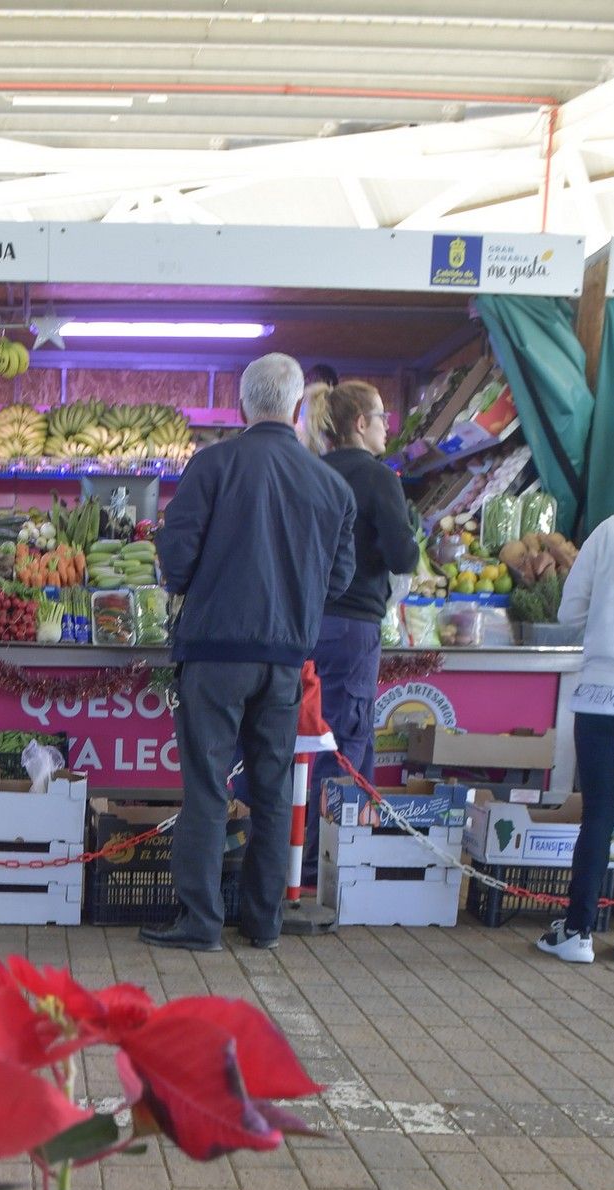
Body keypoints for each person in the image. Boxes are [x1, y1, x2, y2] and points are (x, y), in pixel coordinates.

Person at [141, 351, 357, 952]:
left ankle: (200, 922)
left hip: (213, 653)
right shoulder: (332, 487)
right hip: (286, 658)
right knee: (271, 789)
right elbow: (338, 580)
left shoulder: (212, 466)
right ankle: (263, 924)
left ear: (242, 406)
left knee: (209, 789)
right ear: (295, 408)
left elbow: (175, 559)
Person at [537, 461, 614, 968]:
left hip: (603, 695)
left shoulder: (609, 532)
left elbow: (570, 614)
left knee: (599, 813)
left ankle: (579, 931)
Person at [302, 380, 418, 881]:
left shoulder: (309, 472)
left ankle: (299, 858)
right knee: (345, 743)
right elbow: (401, 555)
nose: (388, 426)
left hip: (303, 625)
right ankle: (326, 868)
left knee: (306, 739)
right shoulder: (377, 479)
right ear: (359, 423)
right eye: (381, 417)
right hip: (353, 628)